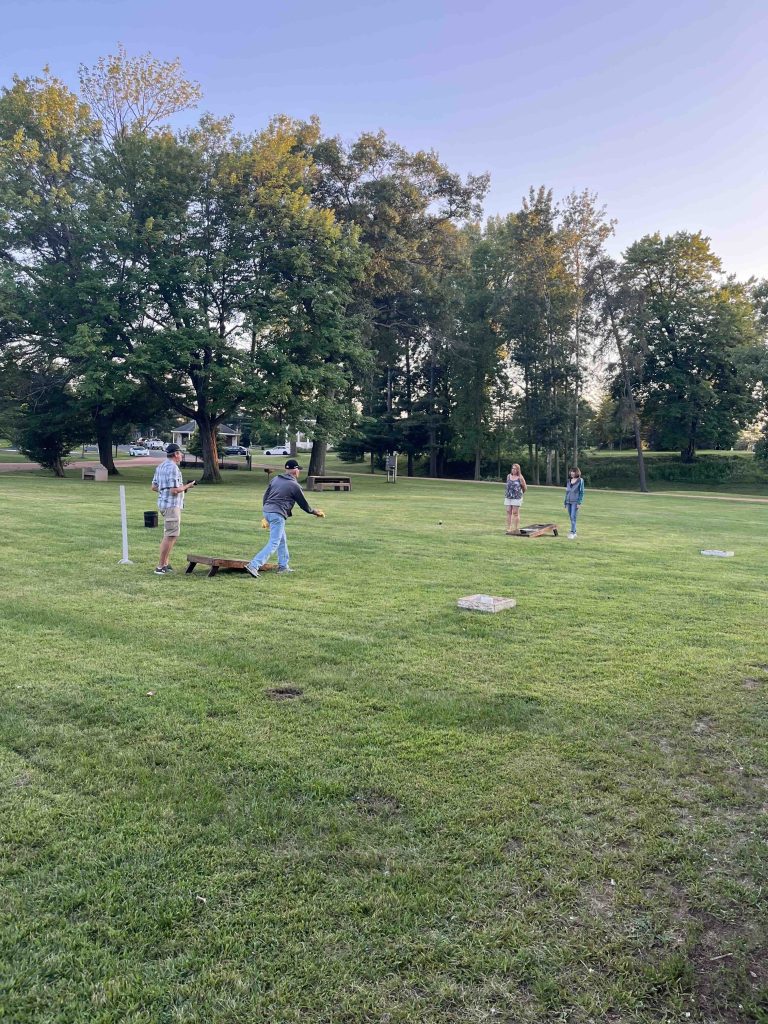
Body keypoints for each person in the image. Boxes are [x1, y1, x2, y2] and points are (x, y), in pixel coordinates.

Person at [245, 459, 324, 578]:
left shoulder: (275, 479)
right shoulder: (294, 485)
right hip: (277, 514)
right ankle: (254, 565)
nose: (299, 472)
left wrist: (266, 514)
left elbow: (266, 496)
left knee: (282, 539)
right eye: (298, 469)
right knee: (274, 542)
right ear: (295, 471)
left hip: (268, 510)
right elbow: (303, 504)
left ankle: (283, 566)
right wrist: (315, 512)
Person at [150, 443, 197, 574]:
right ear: (176, 454)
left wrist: (165, 490)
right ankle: (160, 567)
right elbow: (174, 490)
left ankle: (165, 564)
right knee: (171, 535)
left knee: (170, 534)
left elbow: (154, 487)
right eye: (180, 453)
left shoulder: (160, 466)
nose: (181, 455)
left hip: (163, 504)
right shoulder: (173, 468)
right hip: (171, 505)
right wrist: (188, 486)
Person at [504, 463, 527, 535]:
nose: (513, 470)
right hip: (508, 497)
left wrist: (520, 494)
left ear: (518, 470)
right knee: (508, 511)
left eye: (515, 469)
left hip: (517, 498)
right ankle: (509, 528)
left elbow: (525, 487)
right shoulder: (508, 476)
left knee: (515, 513)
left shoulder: (520, 477)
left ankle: (516, 528)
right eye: (512, 468)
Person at [564, 466, 585, 539]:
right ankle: (574, 532)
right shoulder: (568, 480)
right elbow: (567, 492)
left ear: (577, 472)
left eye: (573, 472)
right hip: (568, 501)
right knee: (571, 517)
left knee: (573, 517)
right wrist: (565, 502)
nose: (572, 473)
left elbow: (581, 492)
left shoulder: (580, 480)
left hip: (575, 502)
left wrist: (579, 503)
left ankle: (572, 532)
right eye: (571, 472)